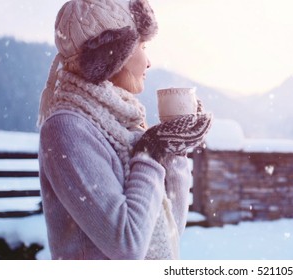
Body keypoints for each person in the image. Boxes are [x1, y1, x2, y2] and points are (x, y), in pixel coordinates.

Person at [37, 0, 212, 260]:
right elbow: (127, 245)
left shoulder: (123, 122)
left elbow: (168, 228)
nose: (149, 61)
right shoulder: (66, 129)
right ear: (115, 54)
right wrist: (152, 152)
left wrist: (175, 152)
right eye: (143, 46)